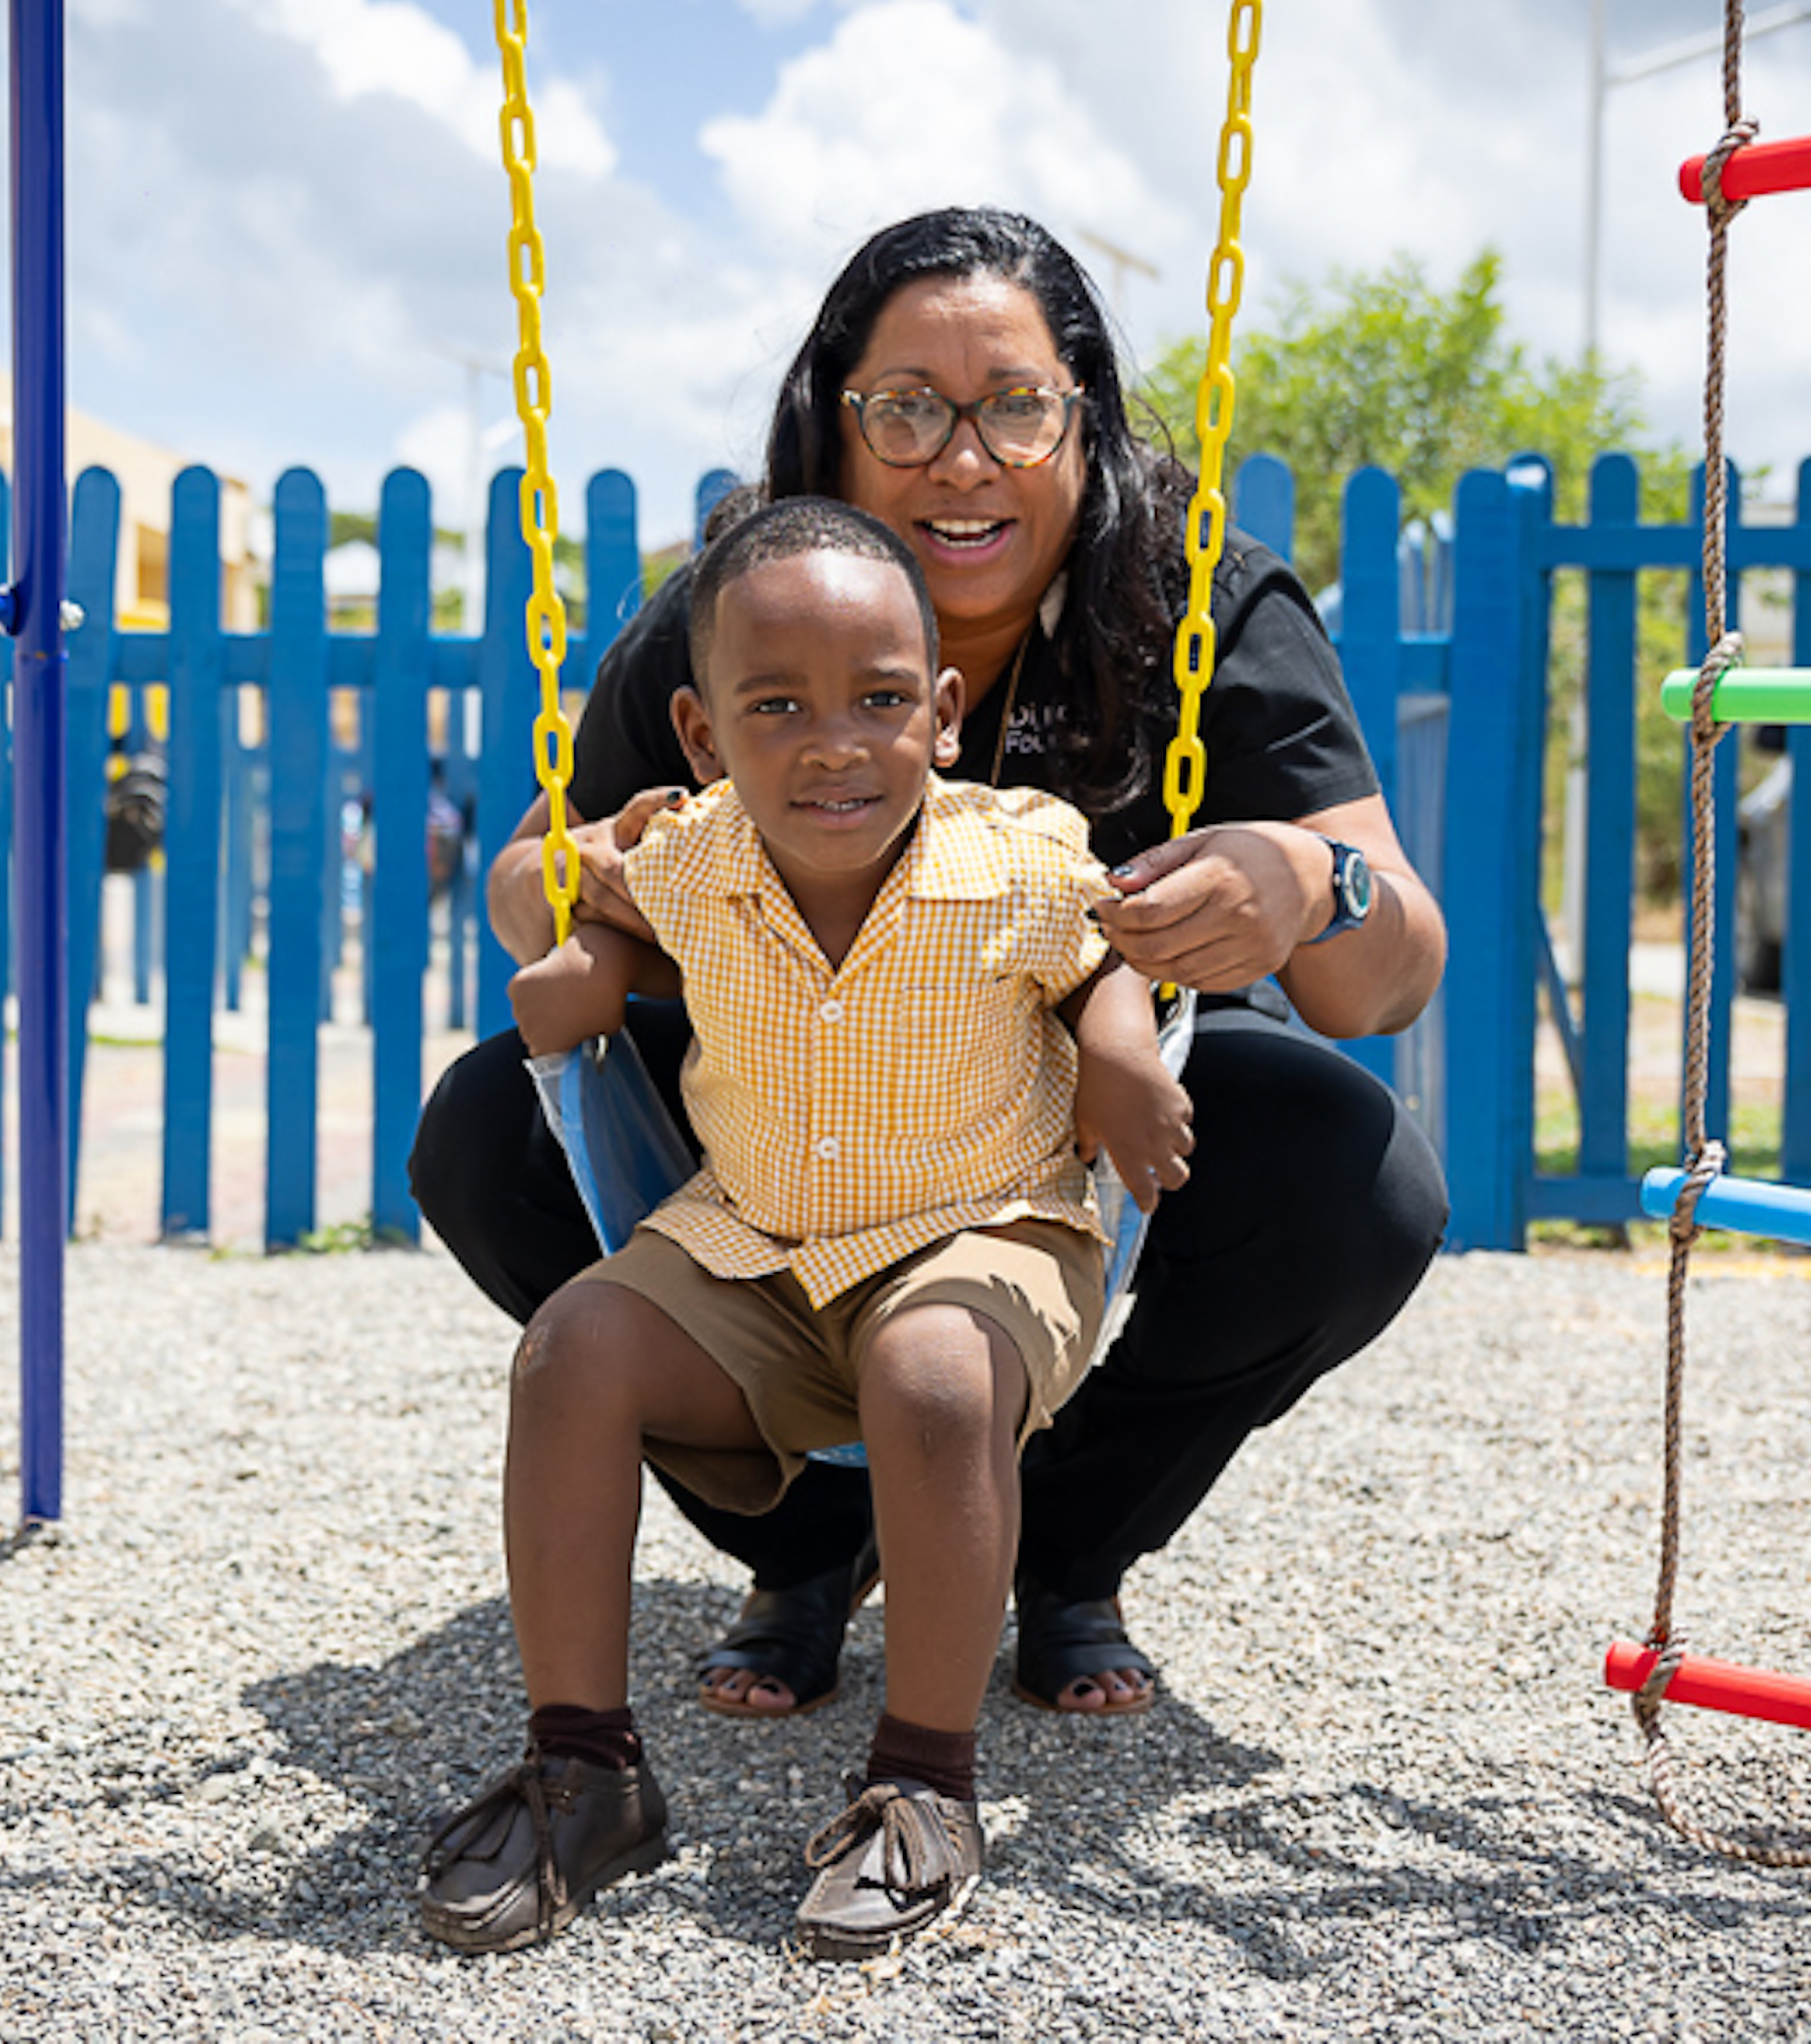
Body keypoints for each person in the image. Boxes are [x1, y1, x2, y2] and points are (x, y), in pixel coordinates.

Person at [409, 207, 1452, 1720]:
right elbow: (528, 886)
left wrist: (1309, 878)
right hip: (777, 1135)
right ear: (828, 434)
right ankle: (808, 1542)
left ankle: (1069, 1552)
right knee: (489, 1128)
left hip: (1073, 1160)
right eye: (905, 409)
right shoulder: (745, 603)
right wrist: (595, 876)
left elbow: (1383, 981)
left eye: (1016, 407)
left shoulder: (1200, 596)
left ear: (1082, 421)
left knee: (1360, 1181)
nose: (963, 460)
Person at [415, 498, 1193, 1957]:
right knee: (573, 1353)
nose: (836, 742)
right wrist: (581, 960)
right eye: (780, 706)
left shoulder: (1018, 856)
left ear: (943, 714)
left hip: (987, 1236)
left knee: (934, 1377)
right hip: (755, 1246)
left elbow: (1103, 958)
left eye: (881, 700)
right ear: (704, 739)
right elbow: (584, 915)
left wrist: (1125, 1056)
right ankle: (586, 1767)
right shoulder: (692, 853)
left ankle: (922, 1786)